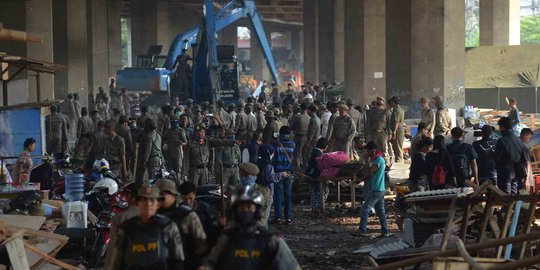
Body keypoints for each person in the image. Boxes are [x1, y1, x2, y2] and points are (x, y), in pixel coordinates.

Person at [201, 185, 300, 270]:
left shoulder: (270, 239)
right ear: (236, 211)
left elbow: (291, 266)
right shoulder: (227, 237)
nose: (245, 211)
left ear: (257, 210)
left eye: (249, 207)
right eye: (242, 208)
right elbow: (211, 262)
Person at [107, 186, 184, 270]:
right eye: (144, 200)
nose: (148, 204)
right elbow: (116, 259)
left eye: (152, 200)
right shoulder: (127, 228)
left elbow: (178, 260)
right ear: (137, 203)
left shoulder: (169, 227)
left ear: (158, 204)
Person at [157, 179, 207, 270]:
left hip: (186, 263)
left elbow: (200, 242)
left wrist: (203, 264)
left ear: (172, 195)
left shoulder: (187, 215)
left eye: (162, 195)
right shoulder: (153, 216)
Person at [353, 142, 390, 238]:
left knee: (365, 210)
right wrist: (360, 180)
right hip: (379, 188)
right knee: (381, 211)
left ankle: (362, 231)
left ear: (372, 150)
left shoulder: (378, 160)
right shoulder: (377, 159)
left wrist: (366, 160)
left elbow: (370, 171)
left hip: (376, 189)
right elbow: (370, 175)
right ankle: (385, 232)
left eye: (368, 150)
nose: (367, 152)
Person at [105, 182, 140, 268]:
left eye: (125, 194)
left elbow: (113, 249)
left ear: (131, 196)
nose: (124, 197)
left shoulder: (120, 218)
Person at [495, 117, 529, 194]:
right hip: (516, 172)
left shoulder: (502, 141)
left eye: (500, 127)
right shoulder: (518, 140)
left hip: (505, 173)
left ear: (502, 127)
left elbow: (497, 158)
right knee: (513, 196)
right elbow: (524, 158)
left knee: (505, 197)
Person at [256, 144, 285, 227]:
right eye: (272, 153)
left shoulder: (257, 162)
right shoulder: (268, 165)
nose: (273, 155)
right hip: (266, 192)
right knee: (264, 217)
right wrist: (281, 174)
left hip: (257, 192)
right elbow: (271, 178)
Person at [271, 126, 295, 225]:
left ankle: (277, 218)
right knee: (288, 195)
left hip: (278, 173)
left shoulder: (275, 145)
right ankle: (288, 218)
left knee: (278, 196)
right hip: (288, 173)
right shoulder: (292, 144)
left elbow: (273, 159)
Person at [135, 118, 163, 185]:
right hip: (157, 158)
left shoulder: (149, 137)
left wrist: (145, 160)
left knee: (152, 178)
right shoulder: (158, 134)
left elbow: (148, 150)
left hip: (152, 158)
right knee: (155, 176)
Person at [305, 138, 329, 215]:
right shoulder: (319, 154)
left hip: (310, 175)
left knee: (314, 193)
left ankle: (315, 209)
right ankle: (318, 208)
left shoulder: (314, 152)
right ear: (325, 146)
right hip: (315, 176)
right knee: (323, 191)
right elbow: (320, 167)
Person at [214, 125, 241, 190]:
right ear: (226, 135)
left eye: (233, 135)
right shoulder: (222, 145)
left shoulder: (236, 145)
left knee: (235, 189)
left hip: (235, 168)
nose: (232, 136)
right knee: (222, 189)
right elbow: (219, 159)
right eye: (230, 134)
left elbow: (239, 157)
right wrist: (219, 172)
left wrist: (238, 167)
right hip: (225, 169)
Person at [163, 115, 188, 180]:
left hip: (178, 152)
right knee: (170, 169)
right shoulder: (168, 131)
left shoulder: (181, 130)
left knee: (178, 169)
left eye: (174, 121)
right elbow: (165, 140)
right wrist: (165, 145)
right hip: (169, 152)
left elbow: (185, 142)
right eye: (171, 122)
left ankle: (179, 182)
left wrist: (181, 143)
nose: (173, 123)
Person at [290, 103, 311, 168]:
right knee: (304, 153)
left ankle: (297, 169)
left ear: (301, 109)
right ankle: (305, 167)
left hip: (299, 136)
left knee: (297, 154)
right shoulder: (309, 117)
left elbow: (292, 126)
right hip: (307, 137)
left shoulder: (298, 117)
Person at [389, 96, 405, 163]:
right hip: (399, 130)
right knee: (398, 147)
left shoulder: (397, 111)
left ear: (393, 102)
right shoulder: (400, 110)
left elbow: (396, 122)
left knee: (398, 148)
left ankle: (399, 162)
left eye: (391, 102)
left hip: (398, 131)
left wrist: (394, 132)